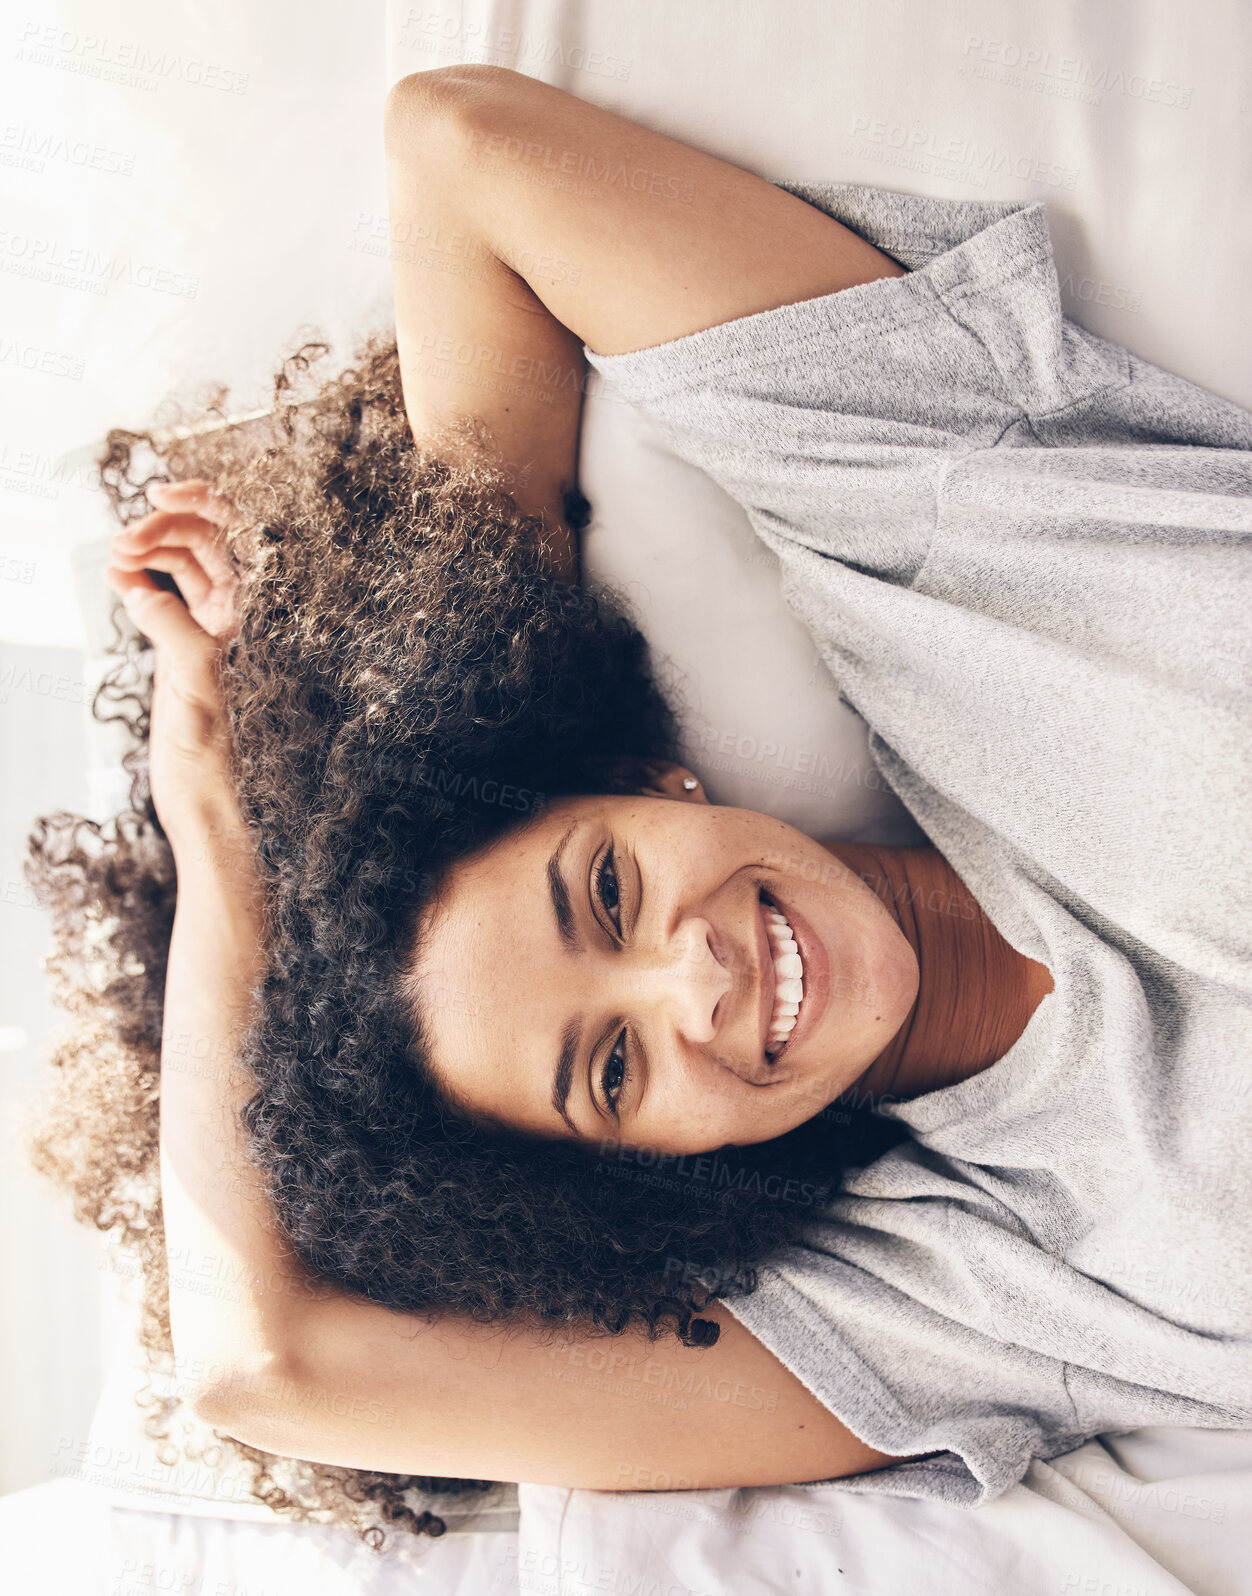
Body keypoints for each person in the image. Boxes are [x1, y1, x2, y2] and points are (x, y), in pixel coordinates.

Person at [31, 64, 1251, 1541]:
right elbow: (270, 1369)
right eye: (612, 1073)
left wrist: (448, 635)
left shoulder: (936, 555)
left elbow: (466, 154)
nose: (697, 972)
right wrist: (208, 809)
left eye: (605, 890)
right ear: (649, 1182)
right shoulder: (984, 1291)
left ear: (641, 781)